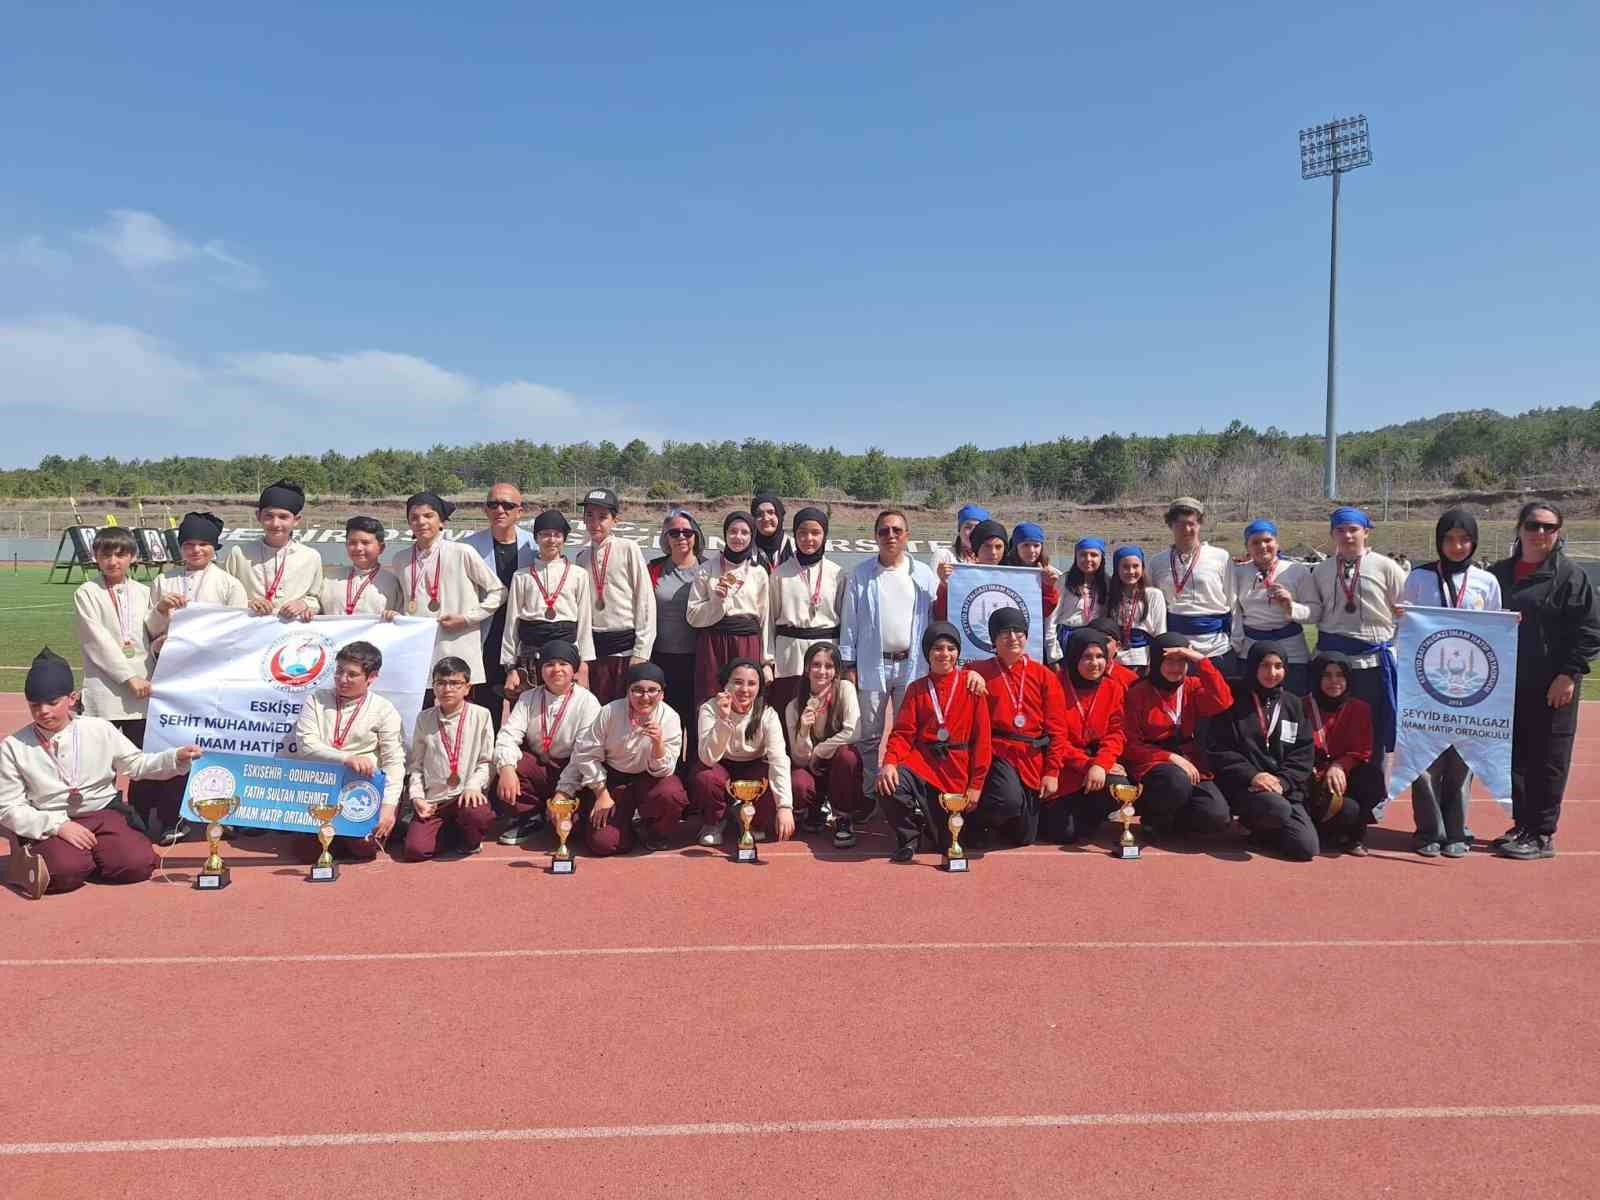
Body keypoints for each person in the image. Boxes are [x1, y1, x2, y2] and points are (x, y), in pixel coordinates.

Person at [0, 649, 201, 897]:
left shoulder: (99, 729)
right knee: (65, 871)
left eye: (52, 703)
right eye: (34, 705)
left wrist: (174, 758)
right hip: (51, 818)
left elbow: (137, 765)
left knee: (137, 864)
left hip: (103, 811)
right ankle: (48, 857)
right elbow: (8, 807)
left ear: (72, 698)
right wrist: (57, 826)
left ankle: (90, 857)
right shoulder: (13, 746)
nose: (43, 711)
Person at [1489, 501, 1600, 860]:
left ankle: (1541, 833)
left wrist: (1568, 674)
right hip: (1507, 684)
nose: (1540, 533)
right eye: (1533, 525)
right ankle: (1522, 824)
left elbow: (1589, 630)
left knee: (1549, 758)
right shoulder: (1498, 575)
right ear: (1519, 528)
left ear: (1558, 533)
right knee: (1516, 758)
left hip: (1554, 685)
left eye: (1549, 528)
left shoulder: (1571, 576)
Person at [1400, 509, 1503, 857]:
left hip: (1469, 688)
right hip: (1425, 686)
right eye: (1449, 538)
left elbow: (1494, 635)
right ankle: (1428, 830)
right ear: (1439, 540)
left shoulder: (1486, 582)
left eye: (1464, 538)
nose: (1457, 546)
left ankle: (1457, 831)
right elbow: (1406, 631)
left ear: (1474, 542)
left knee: (1461, 762)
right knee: (1425, 762)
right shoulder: (1419, 577)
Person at [839, 509, 940, 815]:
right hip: (873, 664)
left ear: (907, 535)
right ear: (876, 537)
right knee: (868, 736)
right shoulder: (861, 574)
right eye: (884, 531)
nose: (891, 536)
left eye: (897, 530)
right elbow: (850, 622)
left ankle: (905, 796)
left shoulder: (924, 575)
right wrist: (849, 664)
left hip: (913, 664)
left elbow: (938, 617)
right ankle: (871, 796)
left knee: (910, 733)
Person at [877, 622, 993, 862]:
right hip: (923, 764)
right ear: (928, 653)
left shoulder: (972, 686)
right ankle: (908, 838)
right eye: (938, 648)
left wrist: (976, 785)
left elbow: (983, 740)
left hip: (957, 770)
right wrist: (889, 762)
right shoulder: (916, 688)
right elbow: (902, 734)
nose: (945, 654)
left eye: (951, 648)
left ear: (958, 653)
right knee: (889, 783)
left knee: (947, 840)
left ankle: (930, 824)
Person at [1296, 507, 1406, 756]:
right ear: (1333, 534)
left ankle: (1373, 788)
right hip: (1330, 662)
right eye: (1340, 530)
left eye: (1353, 530)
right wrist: (1290, 608)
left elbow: (1406, 613)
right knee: (1328, 726)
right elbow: (1315, 613)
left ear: (1365, 532)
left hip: (1370, 663)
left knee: (1372, 729)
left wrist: (1394, 648)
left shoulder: (1387, 567)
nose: (1347, 536)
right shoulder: (1322, 570)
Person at [74, 527, 161, 834]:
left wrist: (164, 618)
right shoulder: (87, 592)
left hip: (143, 689)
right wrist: (128, 677)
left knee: (141, 760)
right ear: (95, 557)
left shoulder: (144, 591)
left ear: (133, 557)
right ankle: (103, 818)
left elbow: (151, 632)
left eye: (120, 554)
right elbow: (96, 642)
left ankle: (141, 817)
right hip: (106, 690)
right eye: (105, 554)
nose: (113, 561)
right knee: (101, 761)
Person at [552, 663, 687, 855]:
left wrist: (658, 744)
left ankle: (654, 830)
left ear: (662, 693)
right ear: (628, 691)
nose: (645, 697)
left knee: (671, 793)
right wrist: (601, 794)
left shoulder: (670, 717)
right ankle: (624, 825)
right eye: (637, 690)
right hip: (614, 779)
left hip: (649, 779)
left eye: (652, 691)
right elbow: (587, 754)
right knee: (604, 844)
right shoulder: (610, 712)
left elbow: (664, 771)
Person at [292, 641, 406, 863]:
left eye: (352, 675)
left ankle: (383, 828)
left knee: (364, 849)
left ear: (371, 677)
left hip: (363, 791)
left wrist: (388, 807)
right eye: (339, 672)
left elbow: (394, 762)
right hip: (322, 789)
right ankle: (337, 836)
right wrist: (347, 758)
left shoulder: (384, 709)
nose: (342, 679)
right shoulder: (316, 700)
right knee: (306, 854)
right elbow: (306, 746)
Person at [1205, 643, 1319, 861]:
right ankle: (1251, 821)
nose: (1272, 673)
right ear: (1253, 667)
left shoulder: (1293, 704)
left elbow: (1303, 753)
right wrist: (1253, 775)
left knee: (1306, 849)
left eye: (1278, 666)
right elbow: (1220, 749)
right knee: (1276, 809)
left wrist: (1283, 782)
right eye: (1265, 666)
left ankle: (1262, 833)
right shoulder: (1233, 700)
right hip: (1244, 786)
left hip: (1281, 788)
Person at [970, 605, 1069, 846]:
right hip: (996, 752)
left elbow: (1057, 729)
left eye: (1018, 632)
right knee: (1008, 800)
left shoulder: (1044, 675)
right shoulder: (978, 670)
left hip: (1031, 756)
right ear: (994, 640)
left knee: (1024, 837)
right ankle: (974, 823)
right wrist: (967, 675)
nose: (1013, 637)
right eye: (1004, 633)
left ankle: (1001, 824)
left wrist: (1052, 771)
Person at [1122, 632, 1234, 841]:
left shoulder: (1192, 686)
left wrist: (1201, 660)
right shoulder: (1138, 693)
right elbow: (1129, 745)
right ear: (1156, 661)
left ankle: (1175, 819)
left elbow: (1223, 701)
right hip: (1151, 761)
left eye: (1181, 661)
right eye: (1169, 661)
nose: (1176, 668)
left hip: (1189, 760)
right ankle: (1153, 819)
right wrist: (1169, 757)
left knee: (1217, 816)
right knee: (1176, 781)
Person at [394, 491, 506, 695]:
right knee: (422, 716)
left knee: (461, 716)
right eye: (414, 517)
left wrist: (467, 618)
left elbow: (498, 591)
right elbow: (402, 602)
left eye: (428, 516)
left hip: (458, 646)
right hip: (420, 651)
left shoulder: (462, 552)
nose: (421, 522)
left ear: (441, 521)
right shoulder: (400, 559)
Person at [494, 640, 602, 847]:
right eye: (549, 664)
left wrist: (564, 792)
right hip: (540, 768)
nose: (557, 670)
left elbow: (585, 752)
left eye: (563, 664)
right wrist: (506, 768)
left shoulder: (587, 701)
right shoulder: (528, 698)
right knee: (511, 764)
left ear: (574, 670)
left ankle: (561, 812)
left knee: (575, 830)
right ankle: (530, 817)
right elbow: (508, 735)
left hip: (574, 770)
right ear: (541, 669)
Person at [1040, 628, 1130, 845]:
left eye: (1100, 657)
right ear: (1073, 657)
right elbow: (1055, 736)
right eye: (1087, 657)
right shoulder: (1055, 684)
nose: (1095, 663)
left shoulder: (1113, 688)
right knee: (1064, 835)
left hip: (1095, 766)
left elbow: (1116, 733)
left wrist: (1101, 763)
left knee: (1120, 784)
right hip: (1062, 766)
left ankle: (1089, 819)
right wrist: (1088, 764)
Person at [692, 659, 794, 845]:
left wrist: (784, 806)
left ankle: (752, 822)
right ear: (725, 685)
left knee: (770, 775)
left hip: (753, 768)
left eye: (752, 683)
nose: (745, 689)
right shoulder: (709, 708)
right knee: (704, 777)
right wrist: (723, 721)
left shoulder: (767, 713)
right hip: (720, 765)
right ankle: (714, 822)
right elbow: (707, 758)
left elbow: (779, 759)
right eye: (737, 682)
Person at [403, 658, 496, 861]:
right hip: (435, 800)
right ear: (434, 687)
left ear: (467, 687)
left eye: (455, 683)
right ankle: (450, 833)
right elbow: (416, 765)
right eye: (441, 683)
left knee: (476, 813)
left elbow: (486, 761)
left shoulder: (481, 715)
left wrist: (473, 786)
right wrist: (417, 796)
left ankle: (469, 839)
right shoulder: (424, 718)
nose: (447, 689)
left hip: (465, 796)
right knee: (415, 850)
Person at [464, 483, 539, 732]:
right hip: (485, 637)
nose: (500, 510)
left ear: (520, 511)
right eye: (493, 504)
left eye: (507, 505)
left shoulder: (535, 546)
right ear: (485, 510)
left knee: (528, 706)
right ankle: (487, 760)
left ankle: (522, 765)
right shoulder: (468, 547)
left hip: (524, 638)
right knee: (486, 707)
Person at [500, 508, 594, 698]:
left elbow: (584, 621)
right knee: (531, 709)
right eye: (545, 535)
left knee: (564, 710)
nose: (551, 540)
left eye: (557, 535)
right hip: (530, 656)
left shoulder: (578, 574)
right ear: (536, 538)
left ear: (564, 539)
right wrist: (510, 667)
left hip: (565, 654)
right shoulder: (521, 576)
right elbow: (511, 623)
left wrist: (584, 664)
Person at [575, 487, 656, 705]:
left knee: (627, 713)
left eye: (603, 517)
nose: (595, 523)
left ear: (615, 520)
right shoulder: (582, 557)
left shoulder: (629, 548)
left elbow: (645, 601)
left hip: (626, 649)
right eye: (589, 516)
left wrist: (641, 651)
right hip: (596, 649)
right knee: (598, 712)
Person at [768, 506, 846, 727]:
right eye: (802, 532)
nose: (808, 538)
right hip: (789, 655)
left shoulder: (838, 573)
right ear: (794, 535)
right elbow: (769, 621)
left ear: (825, 535)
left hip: (826, 651)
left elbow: (844, 617)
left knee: (825, 717)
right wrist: (768, 660)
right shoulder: (780, 573)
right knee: (787, 715)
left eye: (815, 532)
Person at [687, 511, 774, 704]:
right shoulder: (706, 569)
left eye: (745, 532)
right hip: (712, 644)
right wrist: (716, 601)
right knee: (709, 699)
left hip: (746, 643)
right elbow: (692, 616)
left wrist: (766, 661)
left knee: (743, 701)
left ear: (752, 537)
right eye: (733, 531)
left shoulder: (758, 572)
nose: (738, 537)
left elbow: (766, 618)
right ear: (725, 534)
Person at [1305, 651, 1384, 856]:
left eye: (1340, 675)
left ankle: (1354, 836)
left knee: (1371, 778)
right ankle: (1319, 828)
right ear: (1316, 677)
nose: (1334, 681)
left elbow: (1363, 750)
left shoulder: (1360, 709)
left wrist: (1340, 765)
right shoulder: (1302, 705)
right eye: (1326, 675)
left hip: (1344, 775)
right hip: (1311, 777)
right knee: (1344, 810)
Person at [1147, 497, 1237, 676]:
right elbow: (1154, 607)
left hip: (1216, 647)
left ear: (1200, 524)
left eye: (1192, 524)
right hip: (1175, 650)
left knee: (1219, 701)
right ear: (1170, 525)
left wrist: (1236, 642)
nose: (1187, 530)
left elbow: (1233, 602)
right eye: (1180, 524)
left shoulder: (1221, 557)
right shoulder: (1157, 561)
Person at [785, 642, 864, 844]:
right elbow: (799, 758)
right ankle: (813, 808)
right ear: (806, 669)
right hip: (810, 766)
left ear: (836, 670)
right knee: (798, 783)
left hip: (836, 765)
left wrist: (820, 749)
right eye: (816, 665)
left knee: (848, 755)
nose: (822, 671)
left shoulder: (845, 689)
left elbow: (853, 732)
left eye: (828, 666)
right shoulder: (794, 706)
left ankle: (843, 817)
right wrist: (803, 731)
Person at [647, 509, 705, 772]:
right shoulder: (654, 569)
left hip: (698, 660)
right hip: (661, 660)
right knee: (665, 722)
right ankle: (667, 775)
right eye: (674, 532)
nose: (681, 537)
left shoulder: (708, 568)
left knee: (695, 724)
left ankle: (693, 779)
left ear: (696, 535)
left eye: (687, 532)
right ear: (665, 537)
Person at [147, 511, 249, 653]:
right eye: (189, 544)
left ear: (214, 547)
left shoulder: (229, 584)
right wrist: (161, 609)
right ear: (181, 546)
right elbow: (150, 630)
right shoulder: (163, 581)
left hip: (212, 659)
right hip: (169, 658)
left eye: (203, 544)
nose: (196, 550)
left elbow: (239, 629)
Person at [1231, 520, 1313, 694]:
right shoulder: (1238, 573)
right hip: (1251, 650)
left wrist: (1291, 607)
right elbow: (1234, 613)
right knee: (1252, 707)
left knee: (1294, 705)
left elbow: (1316, 613)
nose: (1262, 546)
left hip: (1292, 652)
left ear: (1277, 543)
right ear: (1247, 547)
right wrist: (1236, 646)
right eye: (1255, 542)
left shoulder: (1297, 570)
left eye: (1268, 540)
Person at [222, 479, 323, 619]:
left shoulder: (310, 557)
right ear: (258, 516)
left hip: (290, 632)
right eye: (269, 516)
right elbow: (224, 595)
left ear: (296, 519)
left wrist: (304, 604)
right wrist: (249, 603)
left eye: (283, 517)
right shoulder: (239, 553)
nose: (275, 524)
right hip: (249, 630)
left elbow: (316, 599)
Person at [318, 516, 405, 619]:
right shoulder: (329, 579)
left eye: (365, 543)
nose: (358, 548)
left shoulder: (393, 582)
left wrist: (397, 617)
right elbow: (316, 610)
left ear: (381, 548)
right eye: (352, 543)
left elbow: (403, 617)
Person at [932, 518, 1008, 620]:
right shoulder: (962, 578)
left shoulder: (1015, 577)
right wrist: (944, 585)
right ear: (977, 548)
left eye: (998, 547)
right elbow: (941, 616)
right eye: (987, 546)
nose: (993, 552)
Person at [1104, 546, 1166, 671]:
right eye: (1125, 567)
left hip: (1143, 660)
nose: (1131, 571)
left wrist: (1157, 662)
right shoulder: (1110, 594)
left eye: (1135, 566)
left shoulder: (1153, 594)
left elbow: (1160, 632)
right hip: (1115, 661)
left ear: (1142, 568)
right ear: (1117, 569)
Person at [1052, 537, 1109, 647]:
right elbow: (1052, 618)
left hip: (1094, 638)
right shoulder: (1064, 580)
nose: (1088, 559)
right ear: (1076, 557)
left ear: (1101, 558)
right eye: (1083, 555)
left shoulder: (1107, 583)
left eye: (1094, 555)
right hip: (1068, 638)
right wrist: (1053, 654)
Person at [1004, 522, 1061, 624]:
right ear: (1016, 546)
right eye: (1025, 545)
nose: (1031, 550)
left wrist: (1049, 587)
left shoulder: (1050, 573)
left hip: (1035, 629)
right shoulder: (1004, 570)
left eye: (1036, 545)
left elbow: (1046, 611)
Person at [1088, 616, 1143, 688]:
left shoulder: (1130, 679)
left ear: (1117, 646)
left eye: (1106, 640)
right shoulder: (1072, 674)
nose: (1099, 645)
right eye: (1094, 639)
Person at [750, 492, 794, 569]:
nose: (765, 518)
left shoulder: (794, 547)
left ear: (779, 515)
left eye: (771, 512)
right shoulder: (747, 549)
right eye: (759, 514)